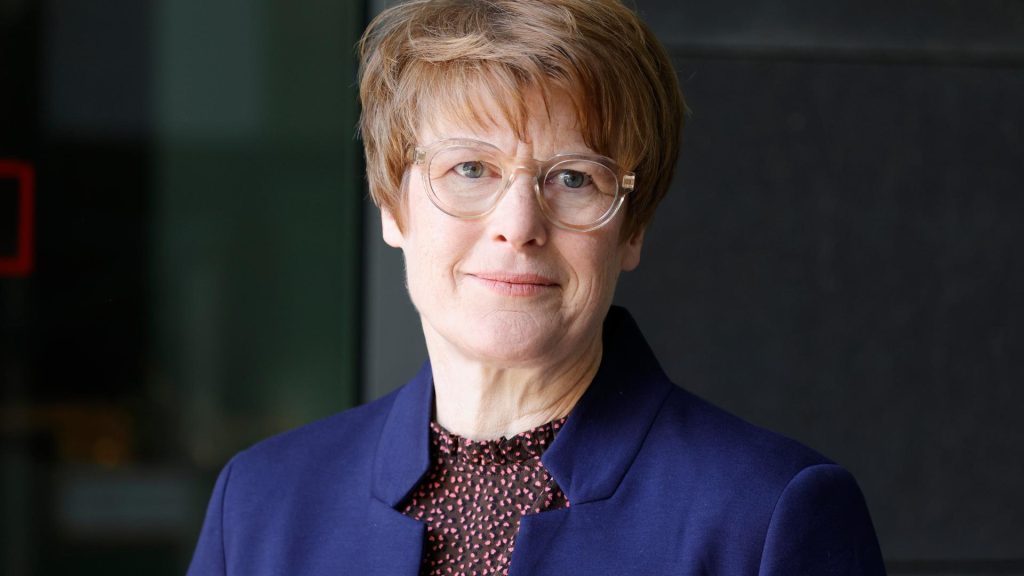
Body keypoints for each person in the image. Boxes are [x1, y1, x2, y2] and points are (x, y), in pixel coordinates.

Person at [187, 0, 886, 574]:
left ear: (632, 228)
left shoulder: (767, 516)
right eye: (470, 169)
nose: (519, 226)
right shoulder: (260, 504)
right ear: (392, 206)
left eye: (575, 178)